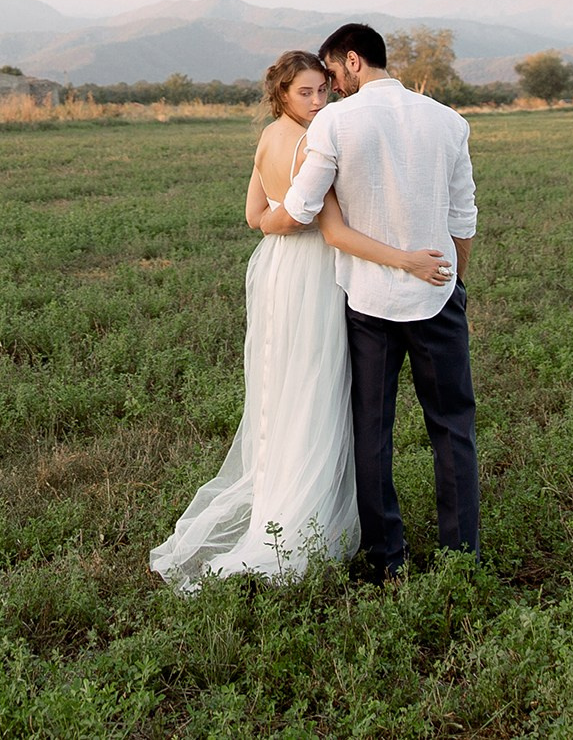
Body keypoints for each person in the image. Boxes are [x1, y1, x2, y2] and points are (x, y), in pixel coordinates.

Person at [149, 49, 452, 588]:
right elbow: (333, 232)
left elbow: (255, 217)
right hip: (313, 273)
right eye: (305, 92)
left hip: (275, 271)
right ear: (282, 94)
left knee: (283, 389)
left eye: (322, 90)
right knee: (316, 390)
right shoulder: (316, 141)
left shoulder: (268, 136)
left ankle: (282, 499)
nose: (317, 101)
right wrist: (407, 260)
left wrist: (280, 222)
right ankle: (305, 516)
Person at [276, 22, 479, 579]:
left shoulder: (335, 122)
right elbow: (463, 215)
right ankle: (462, 558)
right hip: (438, 293)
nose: (332, 87)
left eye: (333, 73)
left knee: (372, 431)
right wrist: (455, 281)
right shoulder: (449, 120)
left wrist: (264, 217)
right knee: (453, 427)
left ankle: (388, 558)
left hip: (368, 301)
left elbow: (302, 206)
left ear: (353, 60)